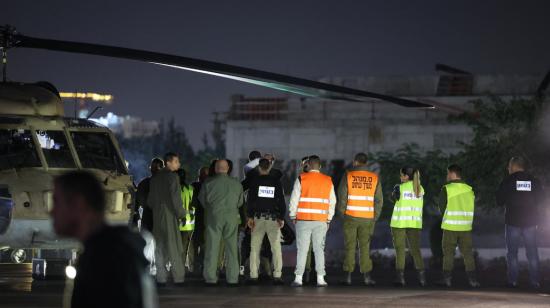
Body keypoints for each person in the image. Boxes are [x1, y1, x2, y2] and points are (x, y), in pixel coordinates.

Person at [51, 171, 157, 308]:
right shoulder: (110, 250)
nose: (52, 211)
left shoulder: (104, 259)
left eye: (56, 202)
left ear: (79, 204)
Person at [497, 157, 544, 289]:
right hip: (531, 221)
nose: (508, 168)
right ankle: (535, 282)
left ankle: (513, 281)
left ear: (513, 166)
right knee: (532, 252)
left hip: (513, 221)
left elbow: (499, 200)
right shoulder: (534, 181)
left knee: (512, 253)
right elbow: (541, 199)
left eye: (509, 166)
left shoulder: (507, 181)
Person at [289, 155, 336, 287]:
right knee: (319, 250)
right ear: (320, 166)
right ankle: (321, 279)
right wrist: (328, 219)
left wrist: (293, 216)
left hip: (303, 220)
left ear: (308, 165)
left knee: (302, 250)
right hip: (321, 221)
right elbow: (332, 202)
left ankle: (298, 278)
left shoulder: (301, 178)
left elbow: (294, 199)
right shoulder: (328, 180)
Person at [337, 153, 383, 286]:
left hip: (350, 217)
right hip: (368, 218)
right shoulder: (374, 178)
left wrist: (342, 215)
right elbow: (379, 201)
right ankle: (367, 277)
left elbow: (342, 198)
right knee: (365, 247)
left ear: (355, 162)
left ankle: (347, 277)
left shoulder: (348, 176)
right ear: (366, 163)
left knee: (350, 246)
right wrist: (375, 217)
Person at [199, 159, 244, 285]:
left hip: (214, 217)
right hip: (231, 218)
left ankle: (210, 278)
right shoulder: (236, 184)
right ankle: (233, 278)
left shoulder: (208, 183)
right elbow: (240, 202)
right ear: (228, 168)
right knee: (232, 248)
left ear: (216, 168)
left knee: (212, 247)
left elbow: (203, 201)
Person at [437, 164, 480, 288]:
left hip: (450, 226)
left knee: (448, 253)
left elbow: (441, 207)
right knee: (468, 254)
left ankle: (447, 280)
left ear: (452, 174)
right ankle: (473, 281)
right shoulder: (469, 189)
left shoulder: (447, 188)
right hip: (465, 227)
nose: (447, 176)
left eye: (447, 173)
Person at [147, 152, 187, 285]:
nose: (178, 164)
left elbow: (150, 201)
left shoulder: (154, 178)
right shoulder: (173, 177)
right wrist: (181, 214)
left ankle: (161, 277)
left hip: (157, 215)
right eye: (176, 161)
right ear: (168, 162)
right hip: (169, 215)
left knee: (159, 247)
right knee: (174, 246)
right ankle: (178, 277)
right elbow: (176, 199)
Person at [246, 158, 286, 285]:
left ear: (259, 168)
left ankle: (253, 275)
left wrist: (250, 217)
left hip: (257, 219)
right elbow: (281, 201)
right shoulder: (276, 183)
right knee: (276, 248)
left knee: (254, 248)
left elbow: (250, 201)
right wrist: (281, 217)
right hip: (273, 219)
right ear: (269, 168)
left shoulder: (255, 182)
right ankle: (278, 276)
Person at [390, 167, 425, 286]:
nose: (400, 177)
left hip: (399, 223)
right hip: (414, 224)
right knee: (415, 250)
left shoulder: (399, 188)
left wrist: (394, 191)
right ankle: (422, 278)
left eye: (401, 175)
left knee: (400, 251)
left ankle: (400, 278)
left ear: (406, 176)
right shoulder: (420, 189)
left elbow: (393, 199)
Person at [135, 158, 164, 232]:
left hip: (147, 220)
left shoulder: (143, 183)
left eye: (154, 168)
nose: (153, 170)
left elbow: (137, 203)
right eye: (153, 168)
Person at [177, 168, 196, 275]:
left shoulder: (175, 189)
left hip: (178, 223)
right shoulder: (190, 188)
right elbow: (193, 205)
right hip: (189, 223)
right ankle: (186, 267)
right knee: (186, 248)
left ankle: (179, 269)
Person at [191, 166, 210, 274]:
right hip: (208, 220)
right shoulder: (212, 186)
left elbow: (192, 203)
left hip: (198, 220)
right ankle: (204, 266)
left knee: (196, 245)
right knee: (205, 245)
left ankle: (195, 267)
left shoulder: (194, 186)